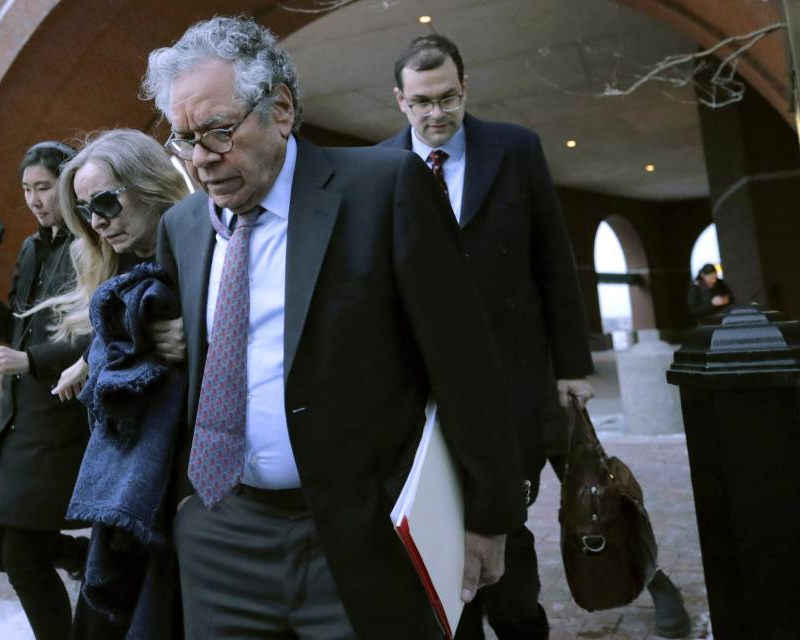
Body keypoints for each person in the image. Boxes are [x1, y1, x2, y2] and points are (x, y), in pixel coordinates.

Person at [142, 16, 525, 639]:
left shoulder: (386, 189)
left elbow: (465, 362)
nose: (201, 160)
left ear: (282, 109)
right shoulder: (183, 229)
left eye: (217, 131)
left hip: (360, 532)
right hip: (222, 534)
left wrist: (488, 516)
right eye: (183, 140)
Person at [380, 34, 595, 640]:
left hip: (511, 378)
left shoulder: (515, 150)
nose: (436, 113)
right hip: (422, 389)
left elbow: (554, 260)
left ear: (465, 87)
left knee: (506, 513)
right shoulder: (379, 168)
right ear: (400, 101)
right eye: (421, 102)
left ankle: (520, 620)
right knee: (437, 517)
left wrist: (571, 367)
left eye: (447, 97)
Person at [29, 128, 190, 639]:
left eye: (105, 203)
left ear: (148, 184)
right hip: (130, 489)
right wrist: (93, 358)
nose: (97, 222)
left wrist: (195, 330)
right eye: (85, 211)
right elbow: (112, 340)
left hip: (182, 489)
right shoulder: (119, 267)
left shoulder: (200, 246)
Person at [0, 141, 91, 640]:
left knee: (21, 555)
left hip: (60, 413)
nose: (34, 199)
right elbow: (17, 326)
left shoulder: (90, 245)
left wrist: (30, 360)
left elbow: (90, 334)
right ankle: (81, 555)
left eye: (45, 187)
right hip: (20, 416)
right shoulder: (33, 248)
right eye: (27, 189)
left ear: (69, 184)